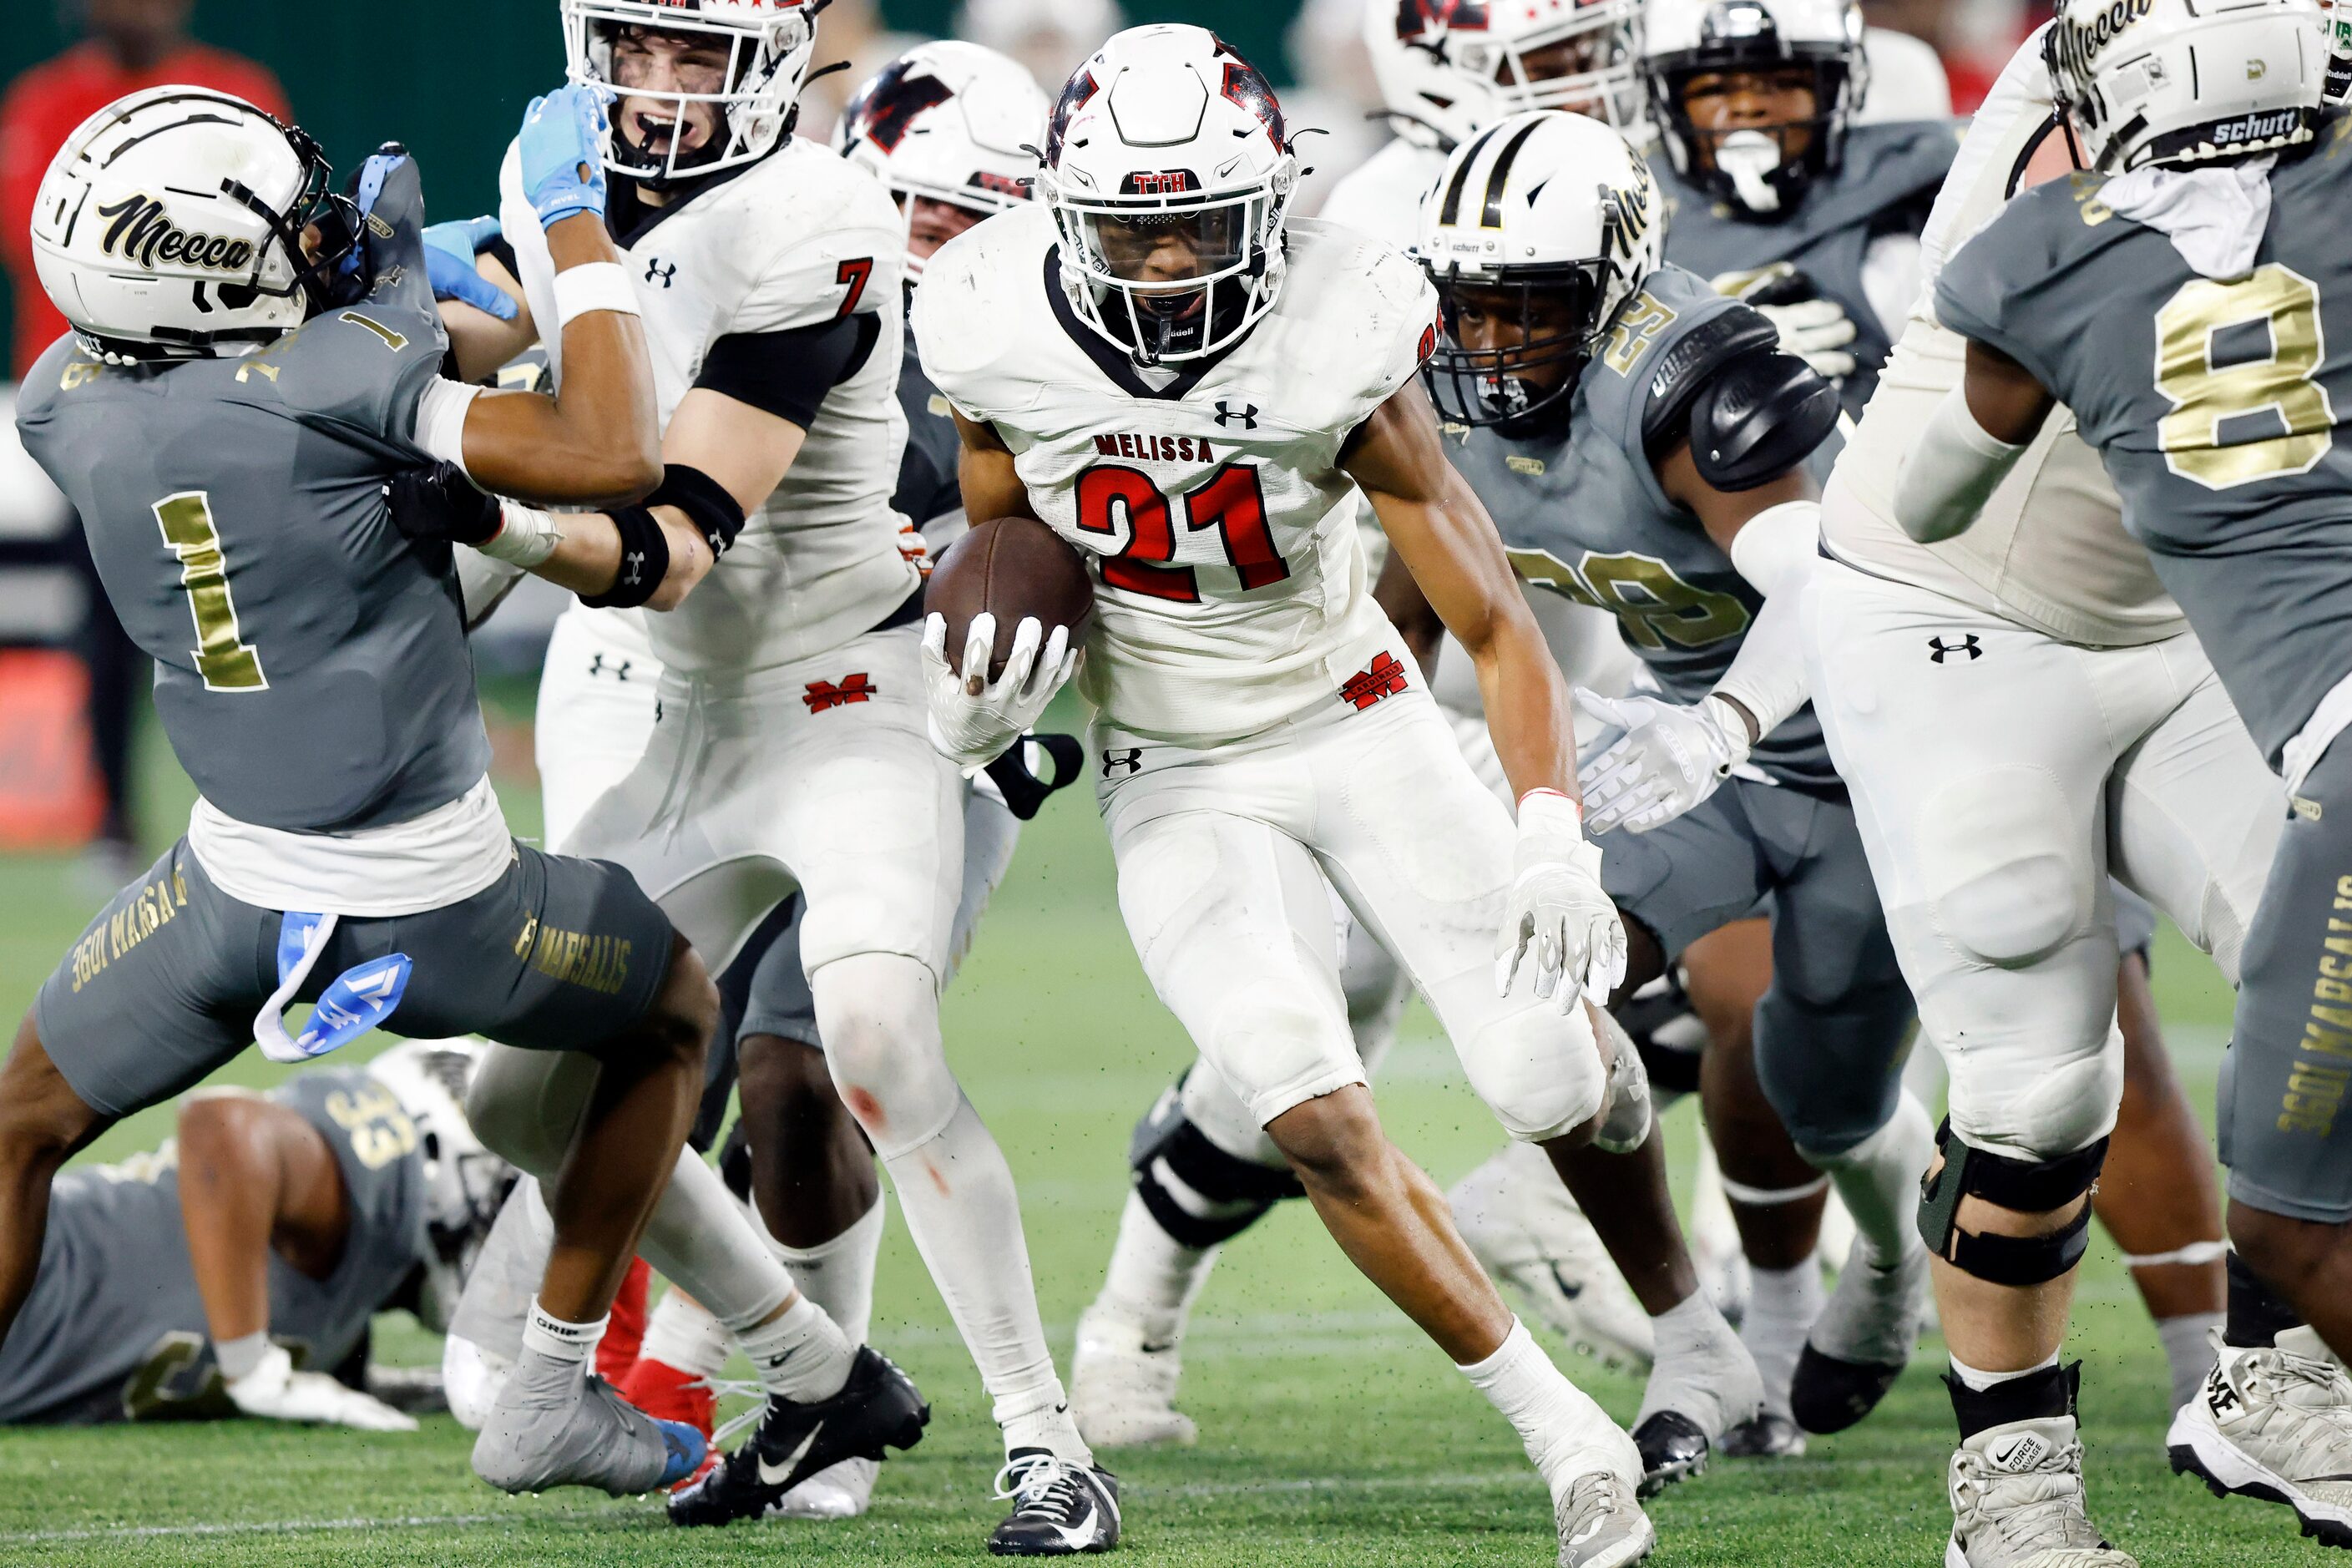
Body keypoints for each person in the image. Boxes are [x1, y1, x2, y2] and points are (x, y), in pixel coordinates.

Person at [919, 26, 1659, 1565]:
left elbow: (1494, 619)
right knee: (1307, 1108)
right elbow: (1004, 552)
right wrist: (984, 693)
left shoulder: (1340, 320)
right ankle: (1567, 1441)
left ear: (1274, 206)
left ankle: (1600, 1071)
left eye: (1205, 221)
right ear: (1066, 212)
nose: (1176, 259)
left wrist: (1547, 830)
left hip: (1359, 723)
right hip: (1172, 766)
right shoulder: (988, 319)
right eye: (1136, 223)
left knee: (1543, 1088)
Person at [0, 83, 746, 1500]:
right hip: (433, 902)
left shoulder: (64, 400)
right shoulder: (343, 386)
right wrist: (568, 230)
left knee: (19, 1126)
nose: (320, 228)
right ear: (206, 275)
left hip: (220, 892)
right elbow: (610, 448)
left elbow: (271, 378)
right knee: (673, 1014)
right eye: (288, 221)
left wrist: (397, 278)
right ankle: (549, 1390)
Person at [429, 2, 1092, 1548]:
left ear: (773, 69)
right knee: (521, 1094)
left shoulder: (821, 210)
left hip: (847, 695)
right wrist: (403, 334)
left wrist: (471, 504)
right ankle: (818, 1370)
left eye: (693, 52)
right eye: (633, 46)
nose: (655, 87)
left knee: (861, 1034)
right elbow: (501, 338)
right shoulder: (559, 172)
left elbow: (664, 544)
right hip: (680, 720)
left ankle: (1047, 1443)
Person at [1879, 1, 2352, 1558]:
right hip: (1955, 608)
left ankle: (2265, 1370)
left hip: (2191, 617)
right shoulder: (2061, 149)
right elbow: (1942, 471)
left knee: (2330, 1023)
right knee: (2034, 1078)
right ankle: (2008, 1491)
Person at [0, 0, 287, 884]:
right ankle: (114, 823)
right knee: (108, 620)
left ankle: (273, 812)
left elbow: (269, 243)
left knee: (247, 611)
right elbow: (33, 238)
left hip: (217, 397)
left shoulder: (237, 91)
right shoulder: (45, 100)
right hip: (95, 406)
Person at [0, 1042, 505, 1429]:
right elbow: (223, 1125)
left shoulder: (357, 1303)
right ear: (440, 1148)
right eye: (504, 1193)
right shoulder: (375, 1184)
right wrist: (250, 1366)